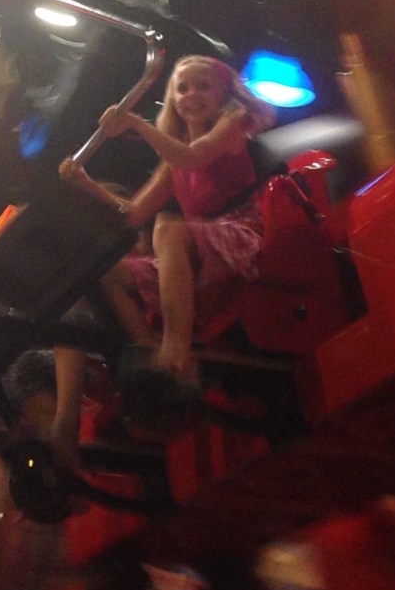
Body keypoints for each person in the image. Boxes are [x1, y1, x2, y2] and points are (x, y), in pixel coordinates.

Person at [59, 54, 276, 381]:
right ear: (173, 100)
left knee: (167, 226)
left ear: (223, 95)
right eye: (182, 88)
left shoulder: (231, 124)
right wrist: (86, 184)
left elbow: (192, 158)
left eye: (203, 86)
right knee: (110, 271)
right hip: (198, 251)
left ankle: (175, 353)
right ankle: (150, 352)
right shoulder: (174, 159)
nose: (191, 95)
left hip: (240, 237)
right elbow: (133, 213)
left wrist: (137, 124)